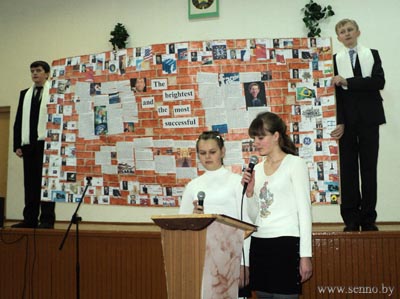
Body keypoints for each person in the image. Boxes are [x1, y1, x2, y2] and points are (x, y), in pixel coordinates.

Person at [241, 112, 312, 299]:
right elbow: (255, 216)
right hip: (260, 243)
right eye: (254, 138)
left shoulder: (295, 164)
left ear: (276, 136)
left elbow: (305, 212)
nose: (256, 142)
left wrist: (305, 255)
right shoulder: (256, 169)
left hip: (286, 244)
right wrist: (249, 193)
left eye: (260, 137)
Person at [179, 131, 252, 297]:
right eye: (202, 153)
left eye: (212, 152)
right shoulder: (193, 186)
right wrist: (193, 217)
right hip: (202, 258)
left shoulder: (236, 182)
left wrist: (243, 263)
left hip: (232, 256)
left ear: (223, 152)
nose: (207, 157)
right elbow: (182, 226)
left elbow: (246, 225)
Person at [330, 19, 386, 232]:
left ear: (358, 32)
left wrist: (348, 81)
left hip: (370, 120)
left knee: (369, 169)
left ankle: (368, 217)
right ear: (338, 37)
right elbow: (337, 96)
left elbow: (378, 82)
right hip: (348, 122)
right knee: (348, 170)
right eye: (342, 32)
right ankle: (351, 218)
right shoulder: (335, 59)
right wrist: (340, 121)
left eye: (350, 30)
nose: (347, 34)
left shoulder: (372, 54)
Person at [12, 61, 56, 229]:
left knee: (46, 183)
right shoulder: (25, 94)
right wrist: (17, 144)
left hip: (47, 144)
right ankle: (29, 219)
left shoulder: (54, 92)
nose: (35, 74)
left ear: (47, 73)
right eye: (32, 71)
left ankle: (47, 219)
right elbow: (18, 120)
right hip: (29, 145)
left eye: (38, 71)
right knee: (30, 184)